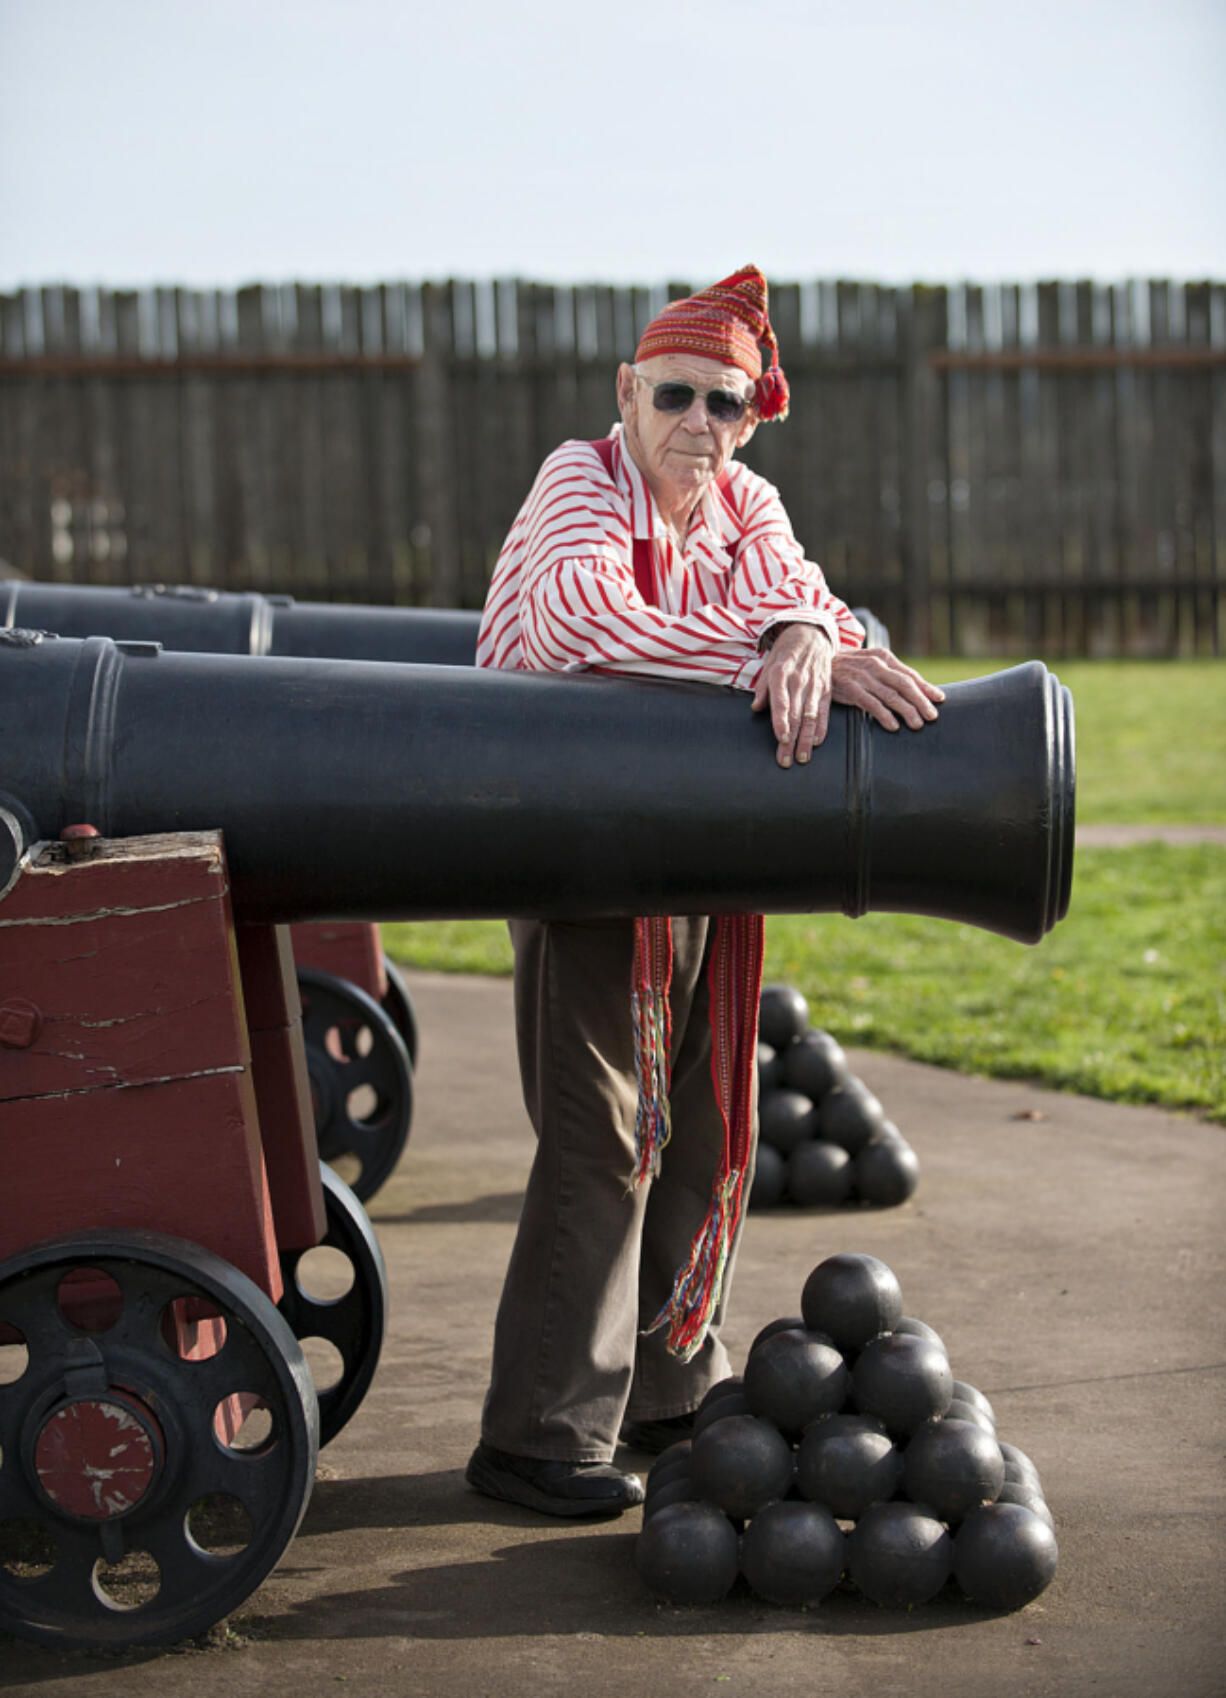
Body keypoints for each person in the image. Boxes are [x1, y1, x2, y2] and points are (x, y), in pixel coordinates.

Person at [466, 265, 944, 1518]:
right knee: (602, 1140)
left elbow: (825, 609)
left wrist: (807, 634)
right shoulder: (578, 482)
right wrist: (778, 643)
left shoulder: (746, 502)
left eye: (722, 405)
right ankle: (537, 1434)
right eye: (672, 394)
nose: (695, 424)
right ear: (626, 393)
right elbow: (588, 629)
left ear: (750, 417)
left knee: (703, 1121)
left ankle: (669, 1390)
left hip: (687, 857)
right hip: (571, 852)